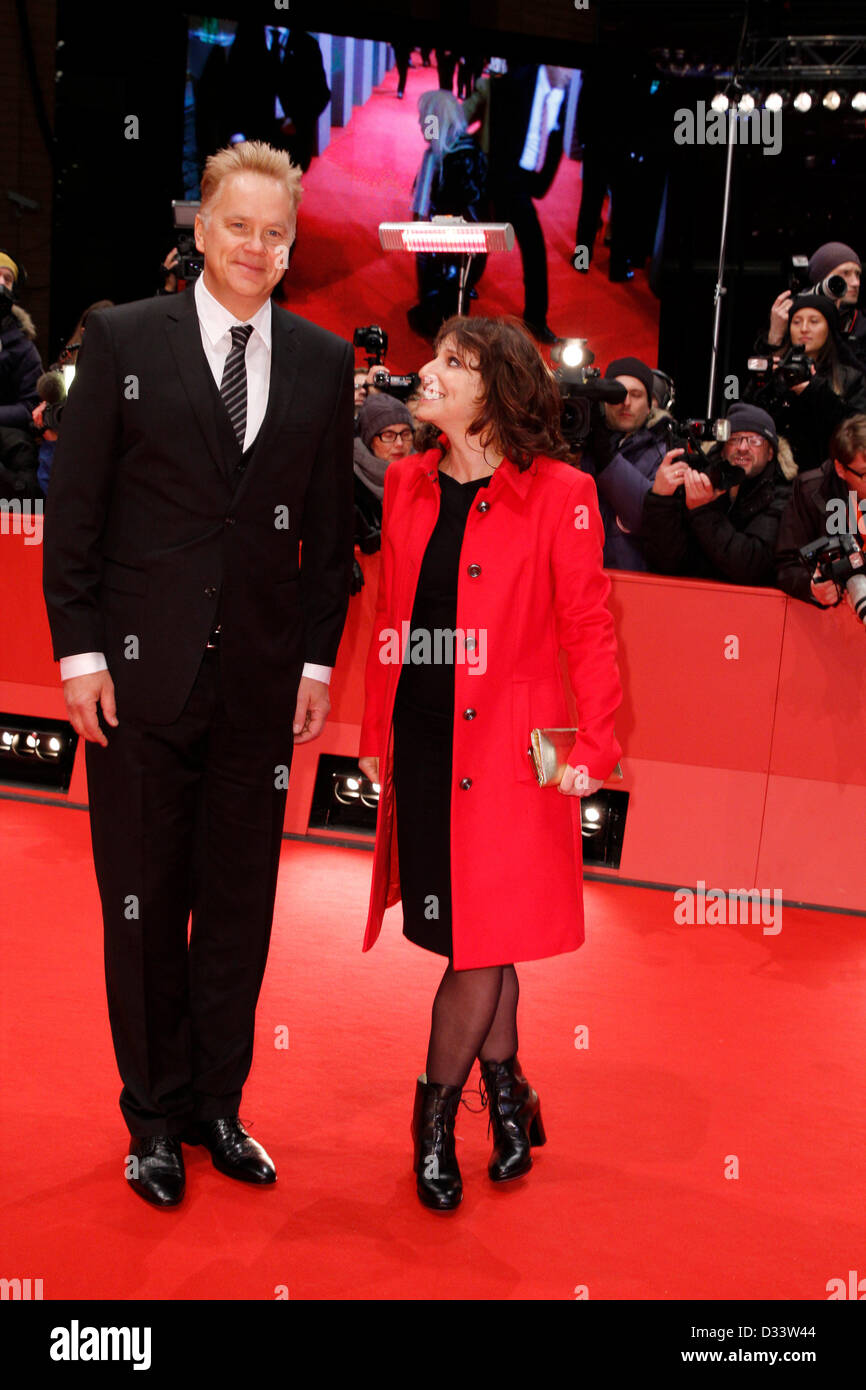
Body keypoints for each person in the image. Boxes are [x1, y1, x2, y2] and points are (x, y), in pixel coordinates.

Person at [42, 140, 354, 1208]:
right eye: (237, 225)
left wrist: (314, 659)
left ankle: (217, 1106)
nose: (256, 247)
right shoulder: (124, 337)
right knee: (140, 905)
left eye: (275, 231)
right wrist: (79, 655)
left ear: (291, 240)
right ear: (201, 228)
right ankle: (152, 1118)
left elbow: (325, 531)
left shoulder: (321, 362)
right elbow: (74, 515)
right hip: (136, 680)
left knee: (237, 907)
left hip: (259, 690)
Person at [357, 315, 622, 1211]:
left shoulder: (563, 494)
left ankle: (433, 1124)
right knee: (480, 934)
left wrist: (600, 739)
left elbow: (588, 626)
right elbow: (389, 621)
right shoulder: (404, 483)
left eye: (450, 364)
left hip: (514, 754)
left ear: (495, 393)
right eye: (433, 358)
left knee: (475, 947)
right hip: (426, 744)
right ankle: (512, 1100)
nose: (425, 372)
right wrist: (371, 735)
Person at [640, 404, 795, 586]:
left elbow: (754, 567)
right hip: (690, 601)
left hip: (752, 608)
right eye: (734, 439)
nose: (743, 447)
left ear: (770, 453)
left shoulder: (783, 494)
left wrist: (703, 510)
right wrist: (661, 499)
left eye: (754, 440)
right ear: (722, 449)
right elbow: (666, 562)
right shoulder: (700, 477)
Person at [744, 295, 866, 474]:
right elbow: (746, 417)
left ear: (829, 328)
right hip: (778, 480)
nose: (804, 329)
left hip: (829, 477)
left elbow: (857, 431)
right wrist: (767, 381)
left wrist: (814, 390)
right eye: (796, 322)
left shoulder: (851, 376)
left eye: (814, 321)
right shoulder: (776, 370)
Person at [579, 355, 672, 570]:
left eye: (636, 395)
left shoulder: (665, 451)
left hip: (632, 580)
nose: (625, 402)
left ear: (650, 405)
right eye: (616, 394)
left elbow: (643, 513)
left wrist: (605, 454)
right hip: (579, 574)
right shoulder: (579, 441)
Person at [408, 90, 488, 338]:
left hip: (450, 248)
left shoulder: (461, 156)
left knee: (444, 306)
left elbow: (470, 213)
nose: (421, 123)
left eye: (425, 118)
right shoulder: (438, 152)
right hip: (436, 242)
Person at [775, 414, 866, 606]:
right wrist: (813, 588)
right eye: (865, 474)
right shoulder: (811, 491)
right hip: (833, 618)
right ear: (841, 470)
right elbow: (787, 566)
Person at [353, 393, 415, 550]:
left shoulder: (428, 476)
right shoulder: (346, 483)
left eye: (406, 434)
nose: (400, 443)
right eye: (389, 435)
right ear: (369, 440)